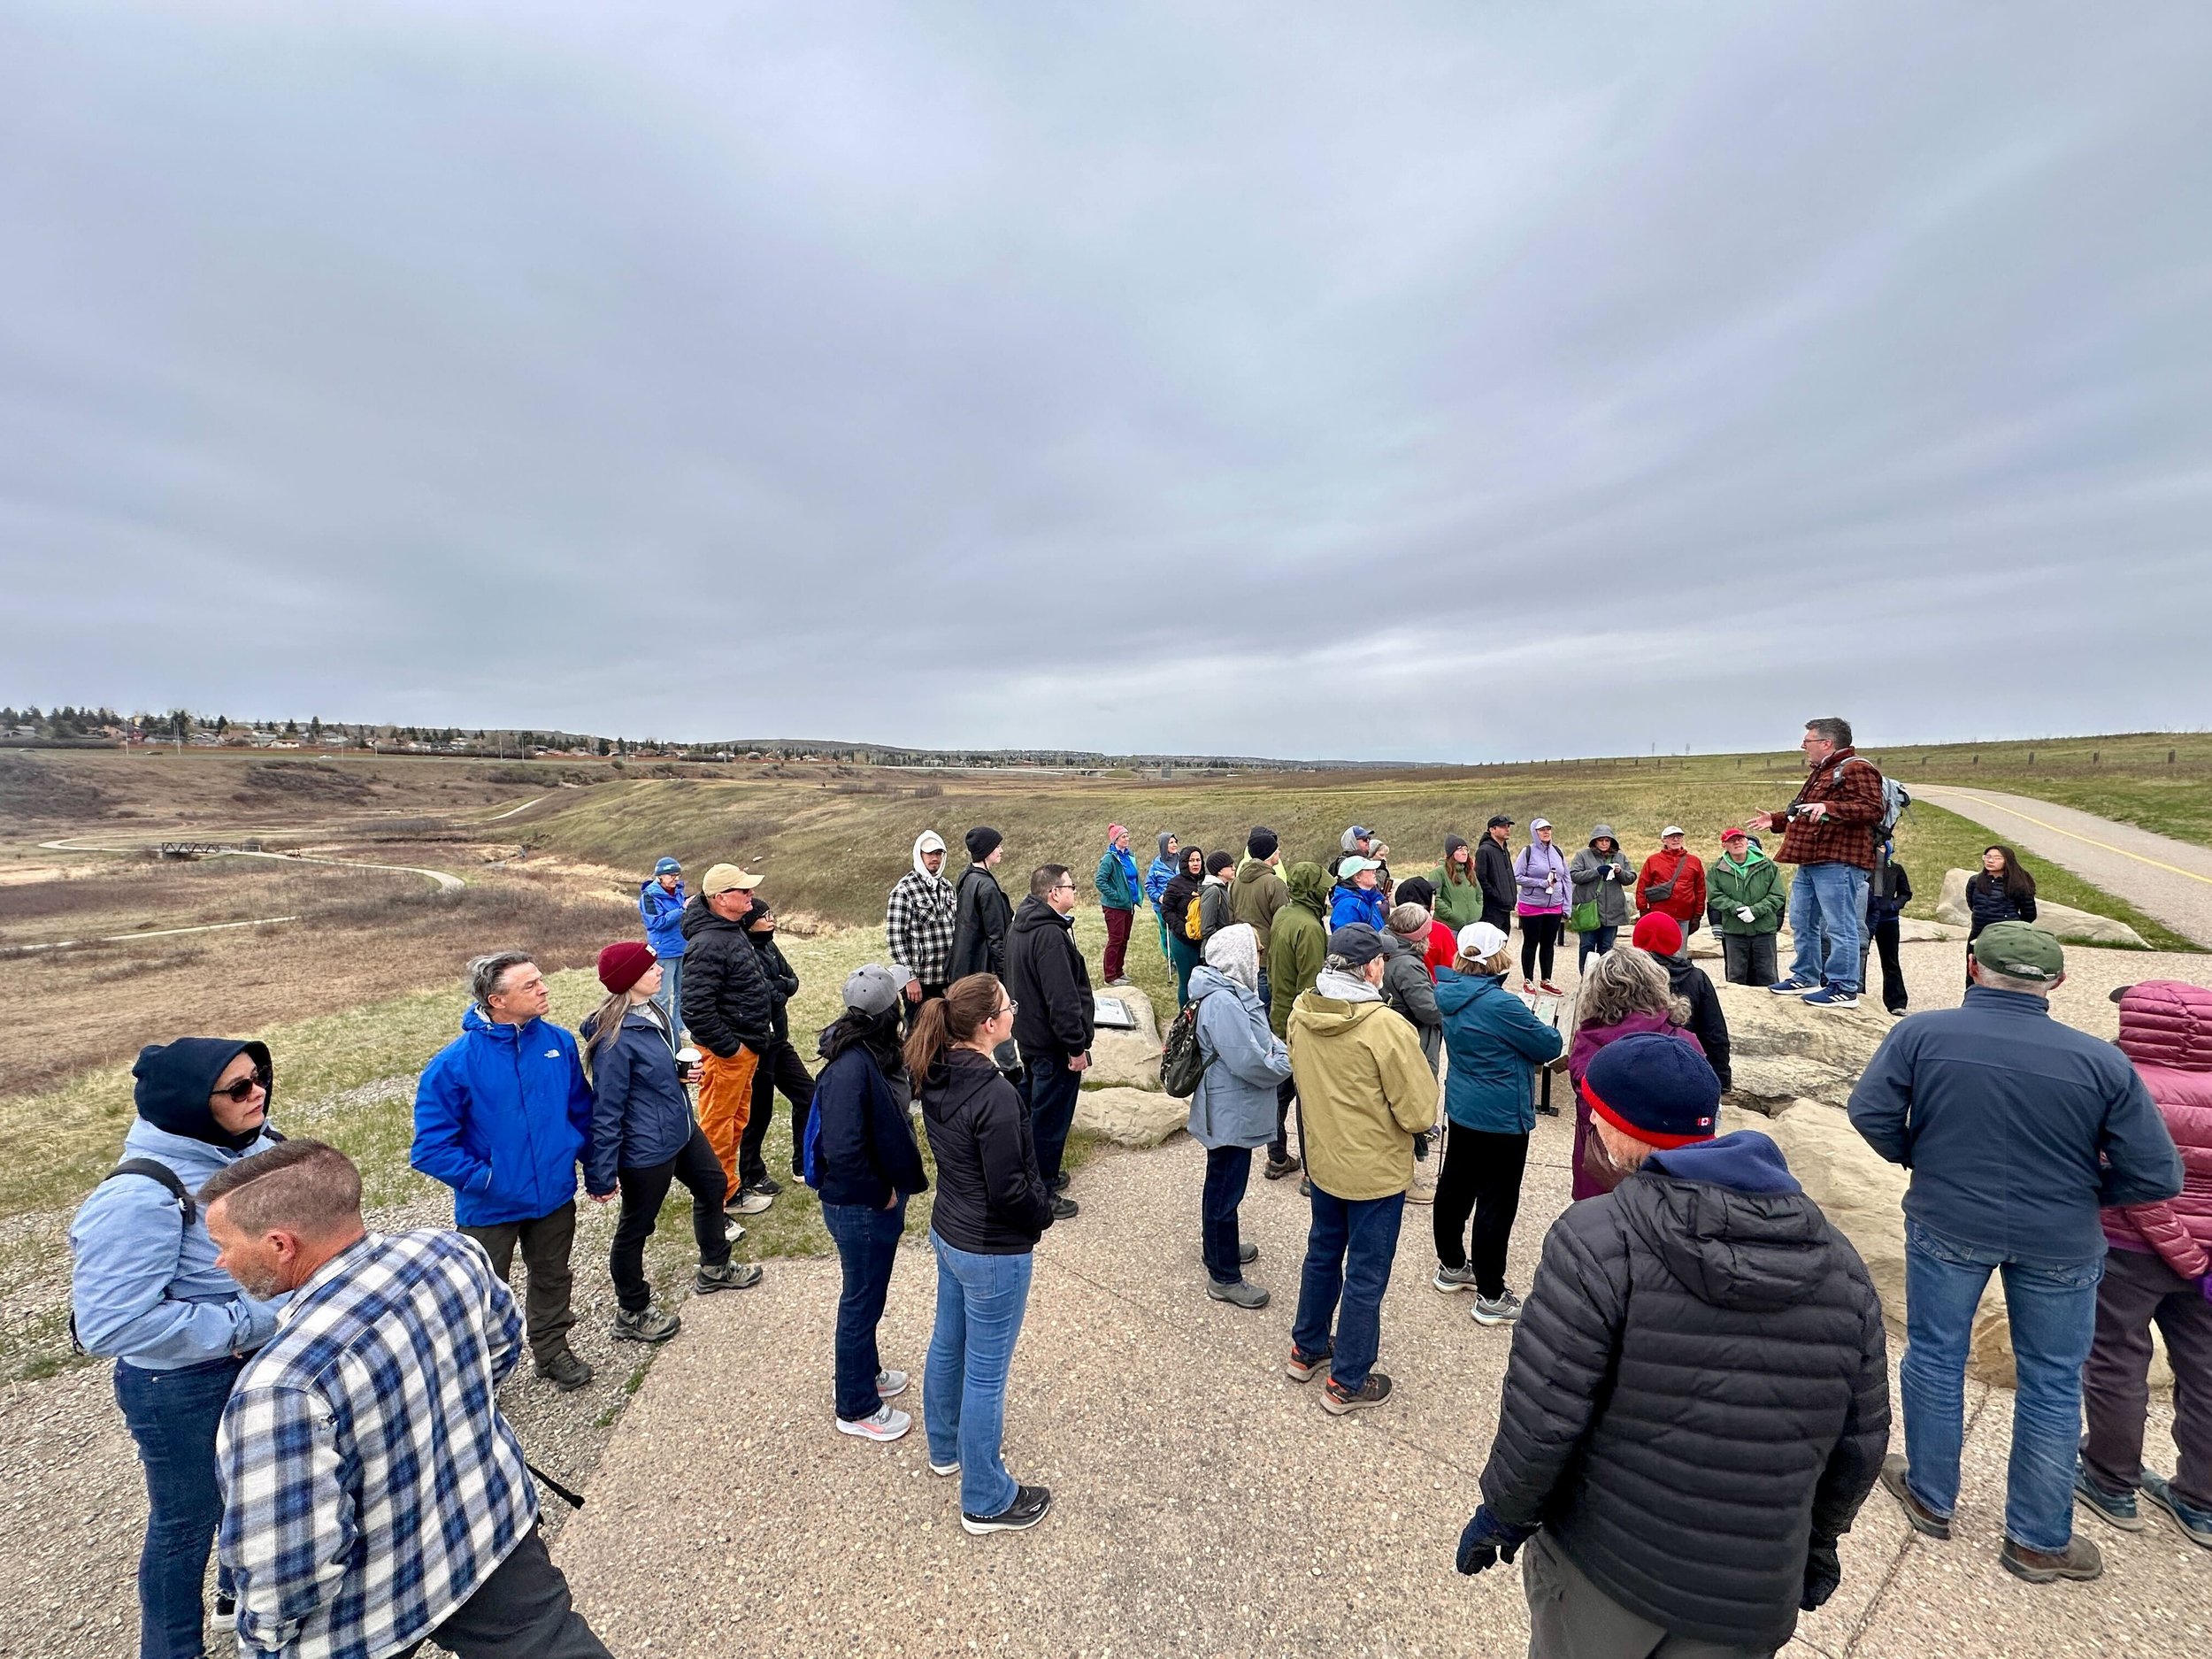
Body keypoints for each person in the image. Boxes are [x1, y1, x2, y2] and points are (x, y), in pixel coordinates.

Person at [1457, 1037, 1889, 1659]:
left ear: (1624, 1130)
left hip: (1609, 1569)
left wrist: (1504, 1511)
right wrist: (1818, 1543)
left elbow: (1545, 1414)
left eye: (1596, 1113)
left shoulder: (1597, 1238)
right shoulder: (1843, 1266)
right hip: (1750, 1587)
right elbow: (1861, 1438)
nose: (1592, 1124)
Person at [1847, 922, 2183, 1584]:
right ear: (2057, 982)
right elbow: (2158, 1174)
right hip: (2061, 1233)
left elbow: (1870, 1112)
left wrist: (1919, 1156)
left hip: (1948, 1216)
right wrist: (2092, 1192)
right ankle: (2037, 1538)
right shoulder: (2102, 1061)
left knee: (1937, 1352)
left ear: (1973, 966)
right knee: (2055, 1381)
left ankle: (1929, 1494)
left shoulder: (1920, 1033)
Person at [206, 1141, 611, 1658]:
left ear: (281, 1244)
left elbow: (291, 1564)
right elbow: (501, 1350)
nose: (219, 1261)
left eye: (224, 1244)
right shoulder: (451, 1252)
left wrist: (261, 1642)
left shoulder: (278, 1386)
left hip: (370, 1611)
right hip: (488, 1530)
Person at [68, 1038, 283, 1659]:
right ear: (190, 1103)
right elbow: (109, 1323)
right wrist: (250, 1321)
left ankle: (232, 1599)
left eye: (259, 1077)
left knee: (254, 1495)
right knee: (185, 1525)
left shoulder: (259, 1147)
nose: (259, 1092)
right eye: (238, 1088)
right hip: (181, 1388)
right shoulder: (137, 1195)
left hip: (257, 1362)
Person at [911, 974, 1056, 1535]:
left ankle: (945, 1447)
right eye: (1007, 1006)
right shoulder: (993, 1094)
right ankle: (985, 1498)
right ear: (988, 1025)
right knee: (986, 1375)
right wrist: (1041, 1215)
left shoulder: (938, 1067)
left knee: (948, 1341)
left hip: (951, 1231)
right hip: (992, 1246)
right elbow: (1011, 1189)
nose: (1014, 1011)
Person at [411, 951, 595, 1391]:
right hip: (490, 1208)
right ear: (497, 1000)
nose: (544, 988)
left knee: (553, 1275)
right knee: (486, 1293)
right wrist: (488, 1180)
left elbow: (580, 1111)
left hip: (553, 1195)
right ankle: (481, 1375)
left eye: (540, 980)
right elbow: (430, 1149)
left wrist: (596, 1165)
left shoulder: (559, 1042)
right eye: (530, 985)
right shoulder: (452, 1065)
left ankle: (552, 1353)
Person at [2079, 980, 2212, 1547]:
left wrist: (2177, 1246)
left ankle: (2111, 1482)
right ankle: (2201, 1501)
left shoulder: (2119, 1081)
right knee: (2206, 1372)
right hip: (2209, 1264)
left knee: (2115, 1358)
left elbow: (2127, 1180)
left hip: (2128, 1246)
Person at [1286, 924, 1439, 1414]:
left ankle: (1306, 1349)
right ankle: (1348, 1380)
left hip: (1325, 1160)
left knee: (1323, 1254)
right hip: (1373, 1170)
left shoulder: (1301, 1013)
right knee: (1367, 1273)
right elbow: (1418, 1112)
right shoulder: (1385, 1026)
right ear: (1372, 967)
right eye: (1381, 962)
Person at [581, 941, 757, 1349]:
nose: (660, 969)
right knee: (636, 1227)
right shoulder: (614, 1038)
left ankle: (714, 1266)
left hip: (679, 1128)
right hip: (645, 1148)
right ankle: (632, 1310)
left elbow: (650, 1077)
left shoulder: (654, 1012)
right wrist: (602, 1172)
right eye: (650, 967)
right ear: (629, 980)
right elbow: (607, 1109)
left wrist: (680, 1078)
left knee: (713, 1186)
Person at [811, 964, 931, 1444]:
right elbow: (842, 1148)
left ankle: (868, 1370)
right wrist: (878, 1192)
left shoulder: (871, 1052)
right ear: (890, 1011)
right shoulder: (849, 1068)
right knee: (861, 1300)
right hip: (860, 1205)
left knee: (870, 1295)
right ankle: (856, 1404)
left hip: (869, 1202)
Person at [1432, 922, 1564, 1326]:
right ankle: (1491, 1292)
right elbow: (1549, 1045)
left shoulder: (1449, 992)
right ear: (1496, 957)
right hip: (1502, 1112)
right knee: (1497, 1200)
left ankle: (1452, 1264)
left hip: (1465, 1104)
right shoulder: (1500, 1005)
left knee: (1455, 1185)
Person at [1747, 716, 1887, 1009]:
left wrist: (1829, 807)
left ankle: (1844, 986)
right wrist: (1774, 820)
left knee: (1839, 924)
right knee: (1801, 920)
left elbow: (1873, 809)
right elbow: (1802, 811)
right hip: (1811, 860)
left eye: (1808, 740)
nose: (1802, 745)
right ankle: (1805, 975)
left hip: (1839, 860)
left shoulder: (1857, 768)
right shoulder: (1822, 771)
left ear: (1827, 743)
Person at [1187, 923, 1293, 1310]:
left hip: (1230, 1104)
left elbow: (1257, 1042)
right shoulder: (1224, 1001)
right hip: (1230, 1108)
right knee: (1225, 1188)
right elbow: (1249, 1059)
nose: (1260, 959)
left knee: (1222, 1183)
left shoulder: (1224, 992)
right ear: (1239, 957)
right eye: (1256, 952)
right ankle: (1224, 1275)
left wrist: (1273, 1051)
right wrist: (1285, 1062)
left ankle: (1218, 1248)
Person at [678, 864, 777, 1217]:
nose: (751, 896)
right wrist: (731, 1049)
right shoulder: (708, 943)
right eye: (743, 891)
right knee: (718, 1128)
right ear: (720, 898)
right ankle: (714, 1205)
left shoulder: (729, 930)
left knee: (734, 1123)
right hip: (727, 1055)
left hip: (743, 1049)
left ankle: (730, 1192)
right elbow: (695, 1010)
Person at [1567, 946, 1703, 1202]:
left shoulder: (1588, 1043)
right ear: (1655, 983)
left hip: (1600, 1173)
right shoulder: (1684, 1043)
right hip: (1668, 1180)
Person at [1003, 864, 1093, 1218]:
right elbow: (1062, 998)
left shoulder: (1021, 925)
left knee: (1032, 1109)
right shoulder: (1050, 936)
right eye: (1071, 885)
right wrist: (1075, 1046)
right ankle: (1043, 1187)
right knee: (1050, 1118)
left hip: (1031, 1035)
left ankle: (1032, 1173)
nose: (1075, 891)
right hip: (1054, 1043)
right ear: (1054, 893)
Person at [739, 899, 817, 1197]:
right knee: (759, 1112)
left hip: (779, 1040)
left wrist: (780, 988)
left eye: (771, 914)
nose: (771, 919)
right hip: (758, 1044)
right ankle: (751, 1174)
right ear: (749, 922)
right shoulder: (745, 951)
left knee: (808, 1095)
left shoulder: (770, 946)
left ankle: (803, 1162)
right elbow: (767, 994)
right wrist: (780, 988)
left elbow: (791, 981)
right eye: (764, 915)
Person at [1263, 861, 1331, 1182]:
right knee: (1309, 1099)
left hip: (1278, 1015)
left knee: (1279, 1094)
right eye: (1323, 887)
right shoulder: (1311, 929)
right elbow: (1312, 986)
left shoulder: (1284, 915)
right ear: (1312, 890)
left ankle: (1276, 1157)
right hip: (1300, 1022)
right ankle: (1311, 1172)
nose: (1328, 891)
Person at [1632, 912, 1733, 1092]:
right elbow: (1714, 1032)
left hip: (1633, 1065)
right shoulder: (1696, 978)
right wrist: (1721, 1079)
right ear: (1676, 941)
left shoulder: (1624, 976)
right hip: (1684, 1064)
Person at [1708, 826, 1786, 987]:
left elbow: (1778, 895)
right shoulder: (1716, 870)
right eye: (1732, 840)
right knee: (1735, 977)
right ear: (1724, 845)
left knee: (1768, 976)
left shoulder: (1767, 866)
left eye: (1740, 839)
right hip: (1734, 932)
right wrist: (1736, 908)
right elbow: (1715, 896)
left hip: (1764, 931)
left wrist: (1755, 911)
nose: (1738, 843)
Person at [886, 830, 958, 1004]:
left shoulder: (947, 887)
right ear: (919, 855)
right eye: (930, 853)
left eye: (939, 853)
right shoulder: (904, 890)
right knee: (918, 1029)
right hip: (920, 982)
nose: (935, 858)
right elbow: (896, 938)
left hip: (947, 979)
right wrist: (910, 978)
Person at [1380, 903, 1445, 1073]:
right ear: (1420, 935)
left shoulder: (1383, 945)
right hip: (1412, 1040)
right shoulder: (1408, 966)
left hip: (1391, 1035)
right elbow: (1430, 1011)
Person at [1965, 843, 2038, 990]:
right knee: (1973, 970)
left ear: (2007, 861)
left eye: (1997, 858)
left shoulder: (2019, 884)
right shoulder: (1975, 881)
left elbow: (2029, 914)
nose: (1990, 861)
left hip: (2006, 935)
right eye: (1988, 857)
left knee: (2003, 973)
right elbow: (1973, 905)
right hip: (1979, 932)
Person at [1512, 818, 1570, 994]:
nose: (1546, 832)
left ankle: (1546, 979)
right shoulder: (1527, 851)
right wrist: (1540, 883)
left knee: (1548, 944)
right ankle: (1528, 979)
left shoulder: (1558, 852)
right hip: (1532, 904)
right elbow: (1517, 876)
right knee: (1531, 942)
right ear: (1534, 832)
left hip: (1554, 905)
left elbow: (1566, 878)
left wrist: (1567, 906)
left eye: (1548, 829)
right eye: (1542, 830)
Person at [949, 826, 1012, 981]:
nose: (1001, 850)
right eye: (997, 846)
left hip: (965, 968)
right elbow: (996, 938)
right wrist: (1006, 976)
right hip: (983, 971)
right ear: (987, 850)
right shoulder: (987, 887)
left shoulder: (967, 878)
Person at [1230, 827, 1291, 990]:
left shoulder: (1236, 882)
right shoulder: (1274, 883)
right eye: (1276, 848)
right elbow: (1283, 922)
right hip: (1266, 951)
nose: (1279, 850)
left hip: (1242, 948)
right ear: (1270, 854)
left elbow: (1231, 915)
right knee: (1264, 1003)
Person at [1568, 825, 1636, 969]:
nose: (1604, 843)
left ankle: (1605, 981)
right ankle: (1586, 979)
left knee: (1607, 949)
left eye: (1607, 840)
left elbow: (1630, 877)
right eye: (1601, 840)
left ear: (1612, 842)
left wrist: (1619, 871)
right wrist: (1596, 871)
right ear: (1594, 841)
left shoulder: (1620, 857)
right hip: (1589, 910)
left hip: (1612, 911)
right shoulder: (1582, 855)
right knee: (1587, 947)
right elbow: (1574, 875)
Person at [638, 856, 688, 1034]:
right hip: (665, 952)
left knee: (683, 993)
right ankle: (662, 1028)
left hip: (684, 948)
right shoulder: (649, 897)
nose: (676, 878)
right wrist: (682, 909)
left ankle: (679, 1027)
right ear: (659, 877)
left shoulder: (679, 892)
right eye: (671, 875)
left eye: (677, 875)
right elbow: (656, 923)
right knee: (662, 996)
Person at [1864, 841, 1914, 1017]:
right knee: (1859, 956)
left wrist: (1894, 905)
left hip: (1888, 919)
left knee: (1891, 960)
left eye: (1883, 847)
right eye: (1876, 847)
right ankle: (1857, 993)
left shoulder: (1895, 868)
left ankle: (1896, 1002)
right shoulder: (1863, 867)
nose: (1879, 850)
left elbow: (1905, 893)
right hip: (1866, 919)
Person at [1093, 823, 1142, 987]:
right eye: (1123, 836)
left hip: (1129, 906)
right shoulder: (1109, 858)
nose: (1127, 839)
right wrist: (1117, 895)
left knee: (1124, 939)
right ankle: (1110, 975)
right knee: (1115, 939)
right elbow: (1100, 881)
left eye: (1127, 835)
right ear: (1115, 840)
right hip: (1114, 907)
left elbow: (1133, 878)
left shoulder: (1129, 856)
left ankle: (1119, 971)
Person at [1158, 845, 1208, 1006]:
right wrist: (1182, 928)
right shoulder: (1175, 884)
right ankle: (1184, 1019)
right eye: (1191, 860)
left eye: (1198, 860)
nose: (1195, 864)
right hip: (1183, 941)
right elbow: (1166, 910)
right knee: (1187, 981)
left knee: (1204, 981)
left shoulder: (1206, 882)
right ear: (1184, 863)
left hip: (1203, 940)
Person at [1635, 825, 1707, 935]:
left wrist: (1698, 915)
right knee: (1660, 950)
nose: (1676, 839)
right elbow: (1642, 887)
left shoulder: (1694, 861)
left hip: (1685, 915)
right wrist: (1643, 910)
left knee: (1680, 952)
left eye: (1679, 836)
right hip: (1659, 916)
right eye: (1671, 837)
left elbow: (1700, 890)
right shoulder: (1653, 860)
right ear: (1664, 840)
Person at [1432, 834, 1485, 932]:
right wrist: (1452, 916)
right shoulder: (1438, 872)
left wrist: (1478, 912)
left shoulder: (1470, 872)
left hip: (1470, 927)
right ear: (1451, 853)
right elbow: (1435, 899)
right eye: (1460, 849)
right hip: (1449, 928)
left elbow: (1479, 895)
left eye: (1466, 849)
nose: (1464, 853)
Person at [1476, 815, 1517, 933]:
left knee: (1503, 946)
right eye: (1503, 826)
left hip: (1505, 909)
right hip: (1492, 910)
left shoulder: (1504, 850)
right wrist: (1496, 896)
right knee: (1491, 945)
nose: (1507, 829)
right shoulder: (1484, 851)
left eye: (1508, 826)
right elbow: (1481, 879)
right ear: (1492, 829)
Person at [1146, 831, 1181, 959]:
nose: (1174, 844)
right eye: (1171, 842)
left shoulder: (1183, 860)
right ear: (1163, 845)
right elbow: (1149, 886)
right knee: (1166, 932)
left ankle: (1181, 956)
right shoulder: (1156, 865)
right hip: (1163, 906)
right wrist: (1159, 897)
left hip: (1182, 904)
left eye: (1175, 842)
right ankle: (1170, 957)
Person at [1330, 856, 1389, 931]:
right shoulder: (1348, 906)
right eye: (1368, 869)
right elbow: (1346, 939)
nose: (1374, 871)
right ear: (1357, 877)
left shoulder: (1368, 899)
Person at [1200, 849, 1237, 942]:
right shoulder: (1213, 891)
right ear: (1220, 871)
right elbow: (1207, 928)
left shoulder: (1225, 888)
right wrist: (1224, 941)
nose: (1234, 868)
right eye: (1230, 866)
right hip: (1217, 949)